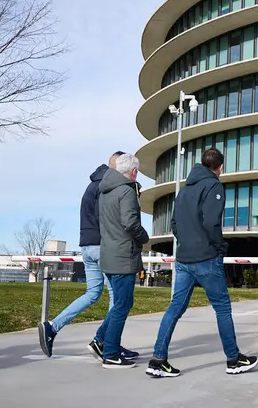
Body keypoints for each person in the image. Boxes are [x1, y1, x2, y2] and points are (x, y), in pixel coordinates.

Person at [147, 148, 258, 378]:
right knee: (222, 308)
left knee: (175, 308)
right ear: (220, 168)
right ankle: (233, 359)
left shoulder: (185, 189)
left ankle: (158, 359)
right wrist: (219, 247)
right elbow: (212, 223)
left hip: (184, 257)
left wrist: (187, 241)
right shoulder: (214, 186)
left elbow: (175, 223)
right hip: (206, 257)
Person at [39, 151, 138, 360]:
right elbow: (112, 220)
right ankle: (107, 343)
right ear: (115, 167)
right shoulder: (108, 188)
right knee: (118, 299)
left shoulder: (93, 185)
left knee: (92, 294)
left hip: (86, 245)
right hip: (103, 246)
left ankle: (53, 326)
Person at [93, 153, 149, 368]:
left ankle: (103, 341)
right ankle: (110, 353)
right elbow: (130, 223)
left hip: (109, 253)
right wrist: (144, 237)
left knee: (120, 303)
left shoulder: (106, 191)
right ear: (133, 171)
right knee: (122, 305)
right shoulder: (126, 191)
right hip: (123, 256)